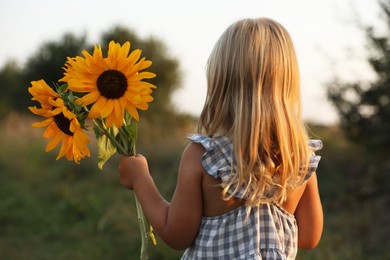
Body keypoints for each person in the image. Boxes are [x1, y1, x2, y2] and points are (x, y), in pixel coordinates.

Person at [119, 17, 323, 259]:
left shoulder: (204, 157)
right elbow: (309, 237)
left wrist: (141, 179)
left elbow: (176, 235)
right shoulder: (298, 157)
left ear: (221, 83)